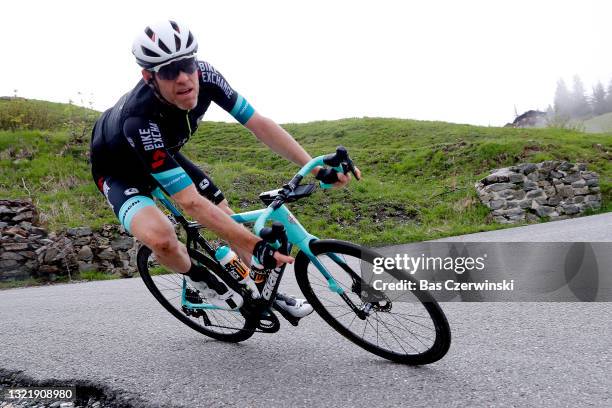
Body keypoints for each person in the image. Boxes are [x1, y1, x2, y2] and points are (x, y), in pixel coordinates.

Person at [90, 20, 359, 318]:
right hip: (119, 171)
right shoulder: (139, 119)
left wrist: (318, 170)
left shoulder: (207, 76)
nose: (183, 78)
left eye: (187, 64)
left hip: (163, 153)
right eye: (168, 71)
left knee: (226, 216)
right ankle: (198, 278)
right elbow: (190, 202)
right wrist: (256, 246)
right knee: (162, 239)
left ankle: (265, 292)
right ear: (149, 76)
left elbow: (259, 124)